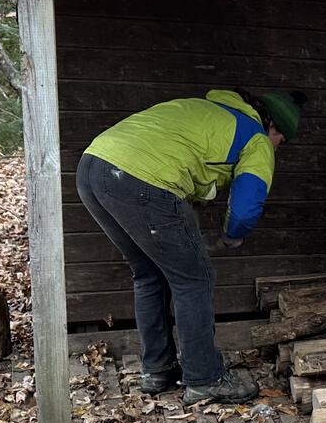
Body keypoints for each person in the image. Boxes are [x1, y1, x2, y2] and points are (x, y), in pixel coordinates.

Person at [76, 87, 306, 406]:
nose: (278, 147)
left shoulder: (205, 109)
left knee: (148, 274)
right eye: (282, 141)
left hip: (93, 167)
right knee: (195, 280)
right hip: (142, 179)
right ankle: (205, 378)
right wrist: (233, 234)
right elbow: (246, 203)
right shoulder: (256, 138)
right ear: (275, 127)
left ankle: (158, 370)